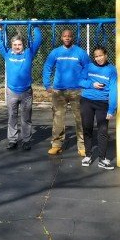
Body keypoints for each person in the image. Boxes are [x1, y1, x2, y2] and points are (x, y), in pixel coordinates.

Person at [42, 29, 90, 157]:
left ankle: (82, 145)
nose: (67, 38)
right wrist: (47, 84)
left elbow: (87, 67)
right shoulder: (56, 52)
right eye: (64, 36)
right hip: (59, 91)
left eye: (69, 36)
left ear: (72, 37)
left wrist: (83, 82)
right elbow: (47, 67)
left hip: (77, 90)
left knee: (80, 118)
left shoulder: (80, 52)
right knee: (58, 118)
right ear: (61, 38)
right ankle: (56, 145)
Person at [0, 24, 42, 151]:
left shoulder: (28, 53)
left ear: (23, 45)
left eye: (19, 44)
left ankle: (26, 140)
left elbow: (38, 40)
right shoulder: (8, 54)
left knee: (26, 118)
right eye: (15, 45)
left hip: (26, 91)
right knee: (12, 117)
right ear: (11, 45)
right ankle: (12, 140)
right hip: (12, 91)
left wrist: (35, 26)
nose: (17, 47)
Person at [79, 47, 117, 170]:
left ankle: (102, 158)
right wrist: (91, 84)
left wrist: (111, 109)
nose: (98, 58)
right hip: (87, 100)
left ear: (106, 55)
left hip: (102, 103)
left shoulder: (111, 70)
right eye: (96, 56)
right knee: (87, 128)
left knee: (103, 130)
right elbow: (79, 81)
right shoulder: (89, 67)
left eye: (101, 55)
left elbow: (113, 89)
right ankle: (88, 155)